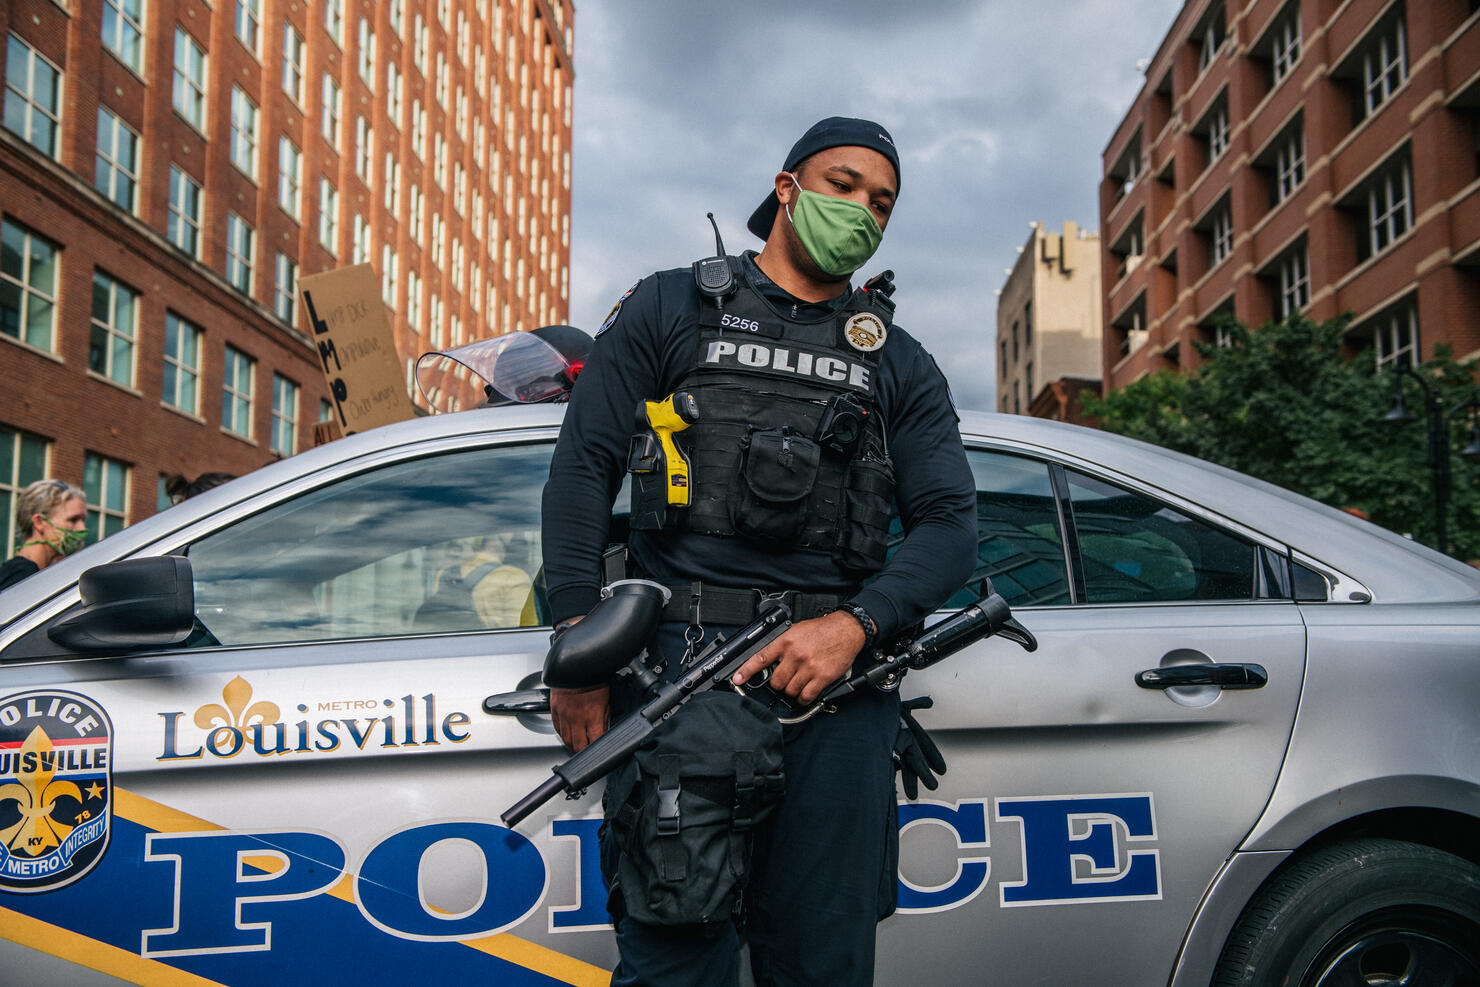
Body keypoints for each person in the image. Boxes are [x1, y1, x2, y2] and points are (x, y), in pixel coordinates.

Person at [541, 116, 977, 986]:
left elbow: (950, 528)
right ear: (788, 189)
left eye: (882, 202)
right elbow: (583, 473)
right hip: (679, 674)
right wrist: (577, 651)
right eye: (843, 185)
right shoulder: (670, 307)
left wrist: (857, 625)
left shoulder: (899, 362)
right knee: (675, 963)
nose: (862, 210)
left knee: (822, 966)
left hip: (835, 693)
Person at [1, 480, 88, 590]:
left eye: (83, 520)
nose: (82, 528)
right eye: (73, 519)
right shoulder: (23, 577)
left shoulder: (28, 572)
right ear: (39, 522)